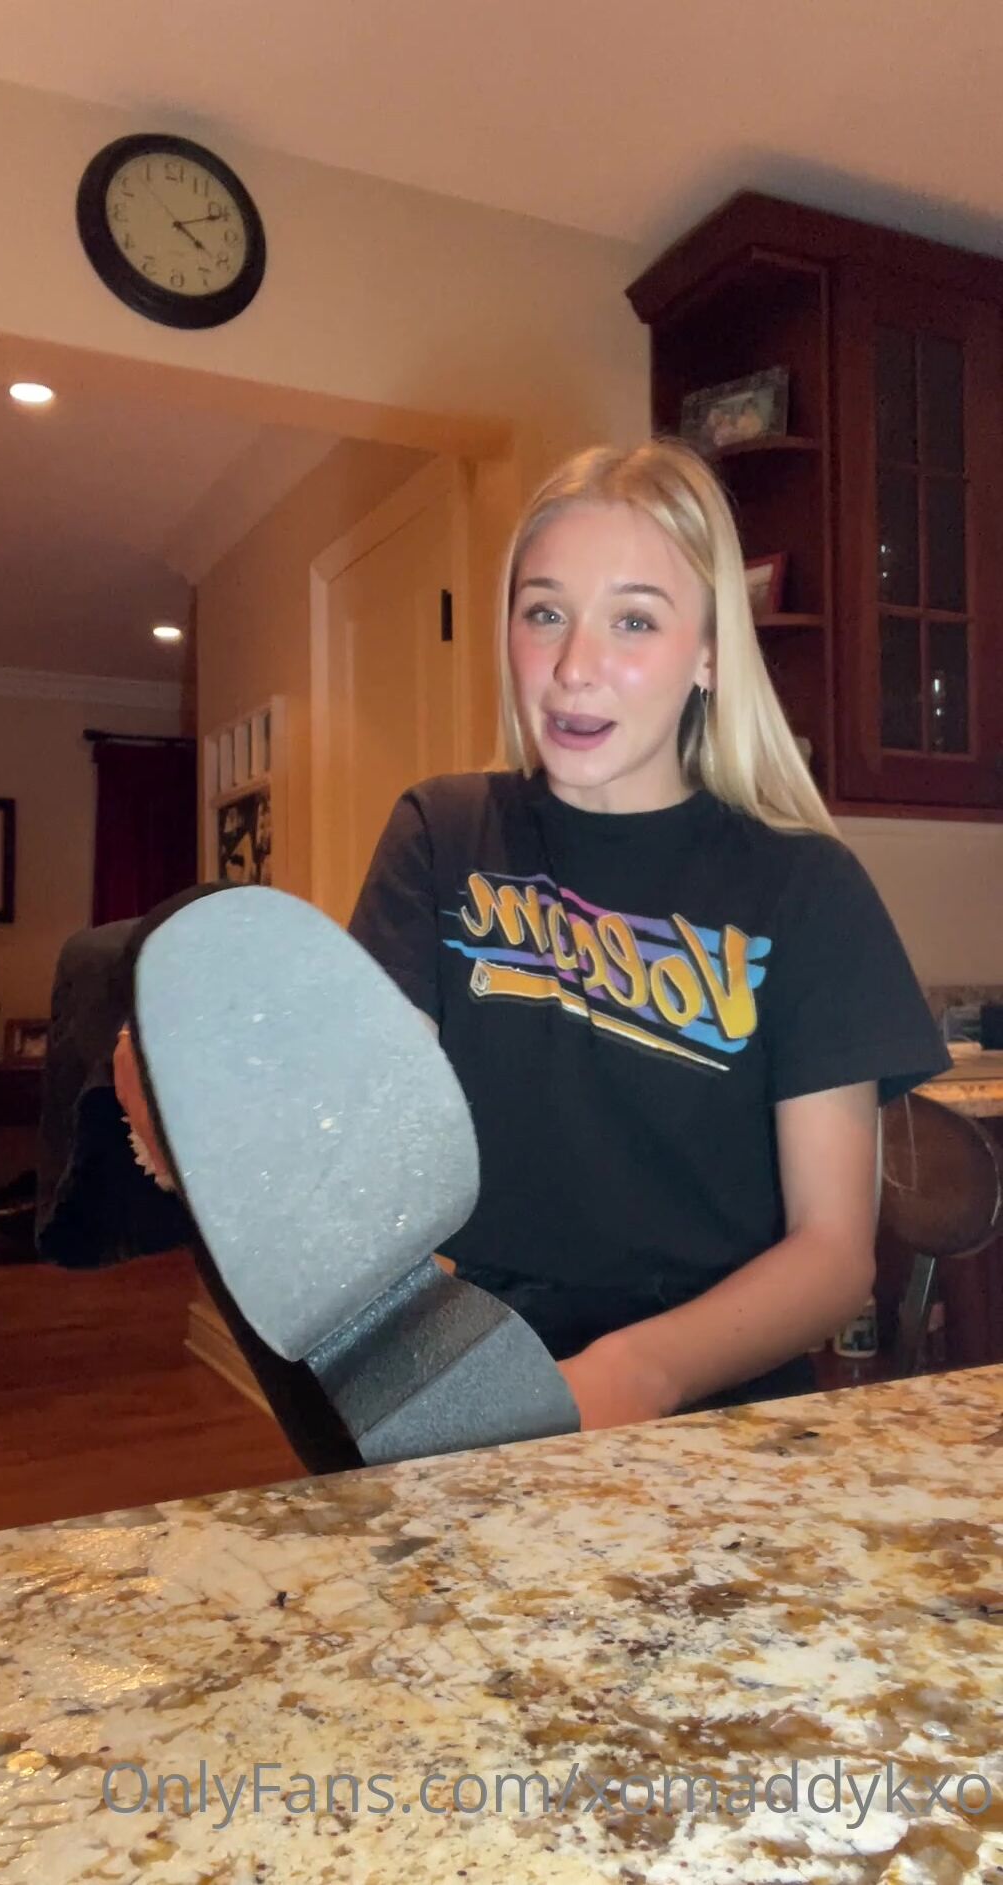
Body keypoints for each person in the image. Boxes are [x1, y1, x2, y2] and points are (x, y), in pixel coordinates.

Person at [111, 440, 946, 1430]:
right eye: (544, 612)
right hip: (469, 1379)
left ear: (711, 653)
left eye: (634, 619)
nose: (574, 666)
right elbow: (371, 1149)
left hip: (719, 1414)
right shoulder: (443, 834)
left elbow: (833, 1255)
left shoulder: (807, 888)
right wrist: (217, 1116)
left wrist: (629, 1377)